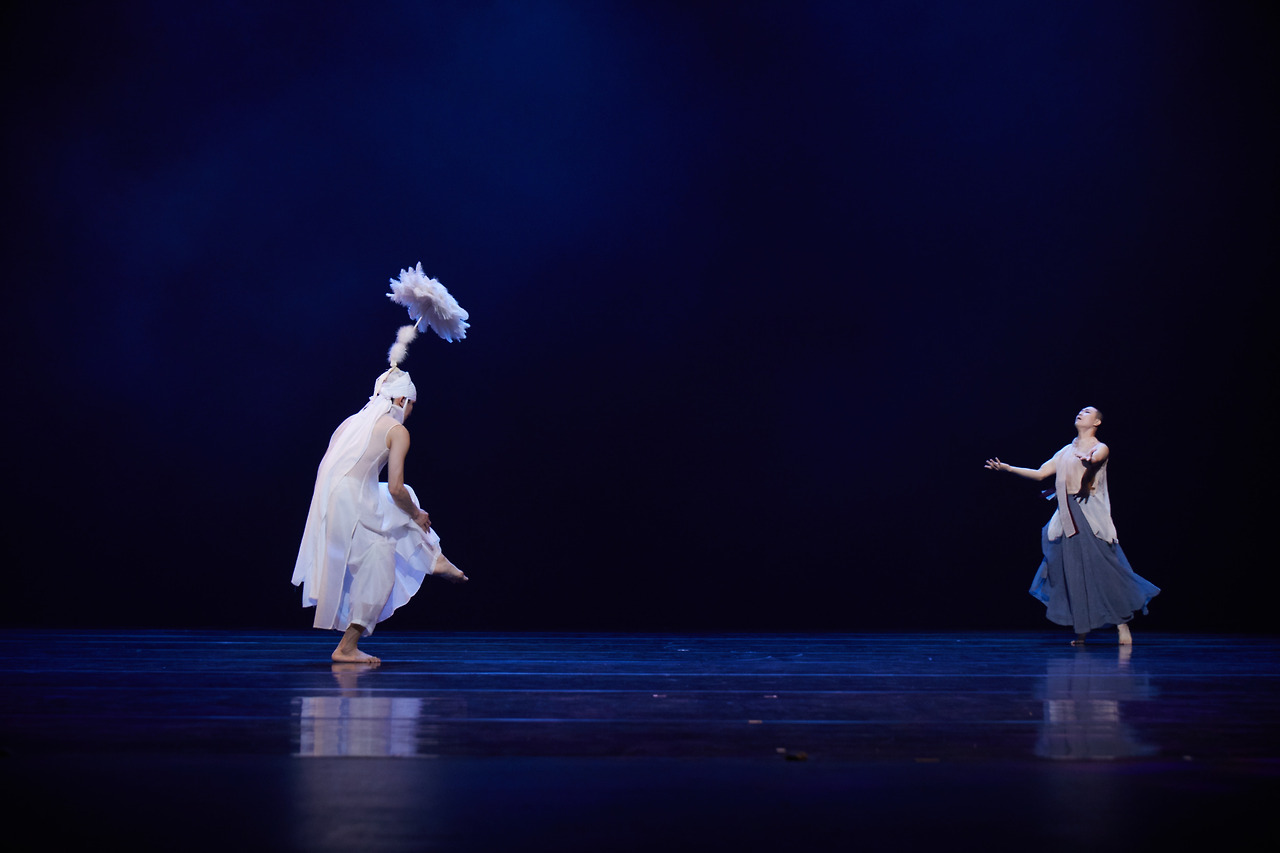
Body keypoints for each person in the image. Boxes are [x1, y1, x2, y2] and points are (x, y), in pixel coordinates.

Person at [292, 365, 467, 664]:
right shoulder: (397, 431)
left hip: (332, 500)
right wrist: (417, 515)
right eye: (411, 405)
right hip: (354, 502)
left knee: (402, 500)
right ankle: (347, 647)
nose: (411, 412)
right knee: (381, 566)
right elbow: (395, 488)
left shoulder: (351, 423)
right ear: (401, 400)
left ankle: (434, 559)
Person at [985, 406, 1158, 645]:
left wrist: (1090, 463)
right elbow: (1040, 473)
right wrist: (1008, 468)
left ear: (1096, 422)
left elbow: (1097, 458)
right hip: (1066, 514)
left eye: (1087, 412)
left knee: (1102, 568)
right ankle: (1082, 629)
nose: (1081, 413)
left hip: (1088, 513)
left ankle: (1122, 624)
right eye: (1080, 411)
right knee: (1073, 571)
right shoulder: (1066, 450)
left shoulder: (1099, 447)